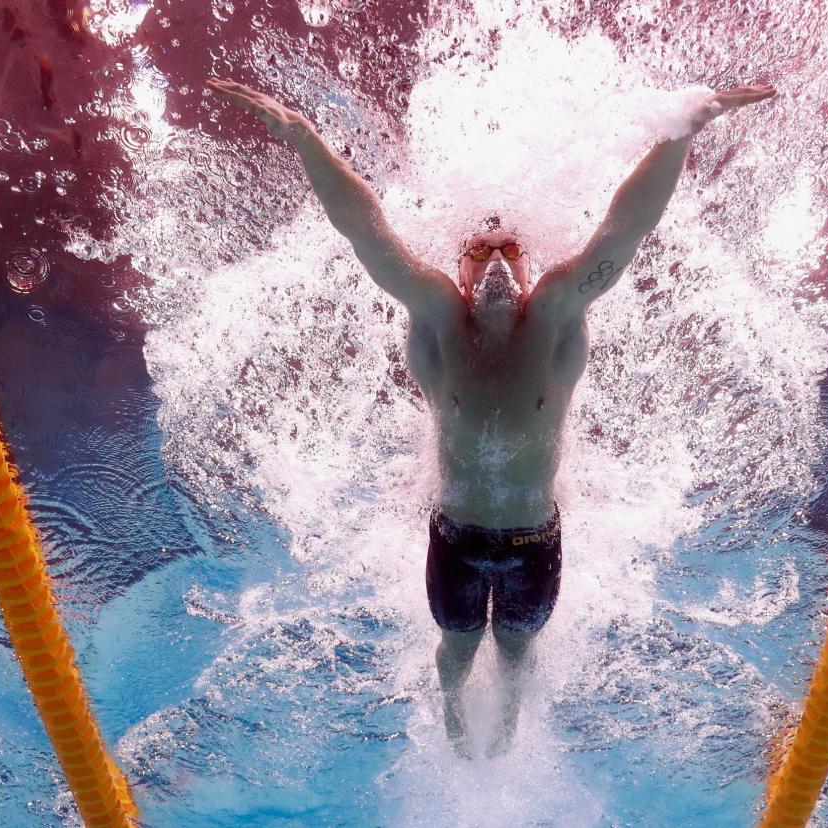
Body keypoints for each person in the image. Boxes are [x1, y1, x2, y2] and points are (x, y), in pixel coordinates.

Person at [206, 75, 775, 758]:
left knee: (514, 649)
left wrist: (682, 129)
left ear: (528, 266)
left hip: (536, 540)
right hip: (457, 537)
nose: (498, 259)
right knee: (458, 644)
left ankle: (503, 726)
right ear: (461, 268)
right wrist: (304, 137)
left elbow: (625, 231)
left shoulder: (557, 310)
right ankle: (453, 713)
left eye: (509, 250)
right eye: (481, 251)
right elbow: (366, 232)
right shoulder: (440, 315)